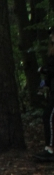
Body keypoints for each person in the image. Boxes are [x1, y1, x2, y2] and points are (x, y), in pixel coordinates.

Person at [37, 30, 54, 162]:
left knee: (49, 116)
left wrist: (45, 70)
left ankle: (50, 149)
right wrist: (44, 84)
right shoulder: (51, 54)